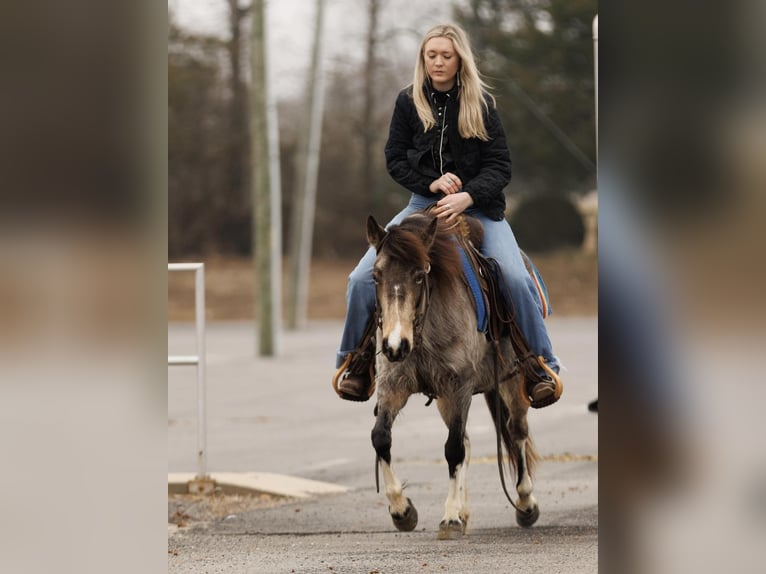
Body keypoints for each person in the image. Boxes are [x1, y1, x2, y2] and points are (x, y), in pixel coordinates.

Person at [333, 23, 561, 407]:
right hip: (422, 205)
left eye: (446, 56)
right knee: (359, 279)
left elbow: (500, 166)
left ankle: (539, 365)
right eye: (431, 55)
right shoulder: (408, 102)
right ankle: (355, 364)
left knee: (515, 279)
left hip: (481, 209)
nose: (438, 62)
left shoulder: (482, 103)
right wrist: (432, 183)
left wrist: (467, 196)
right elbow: (394, 159)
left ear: (459, 60)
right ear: (423, 59)